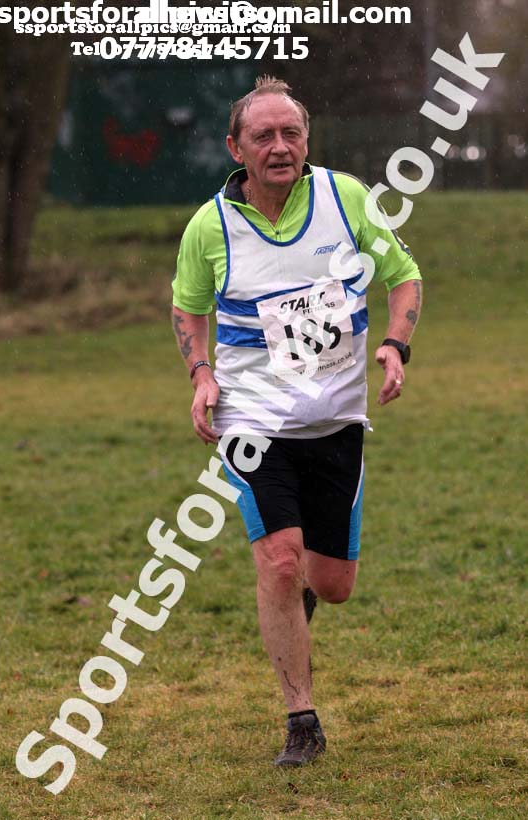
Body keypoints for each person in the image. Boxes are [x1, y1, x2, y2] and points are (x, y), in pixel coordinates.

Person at [171, 76, 422, 767]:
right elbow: (187, 308)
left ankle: (304, 602)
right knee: (279, 562)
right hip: (251, 421)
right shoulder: (209, 228)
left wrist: (395, 344)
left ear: (305, 140)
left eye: (291, 134)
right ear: (235, 148)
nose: (280, 147)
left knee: (331, 585)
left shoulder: (346, 200)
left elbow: (403, 276)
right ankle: (300, 719)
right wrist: (201, 375)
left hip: (337, 418)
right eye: (263, 136)